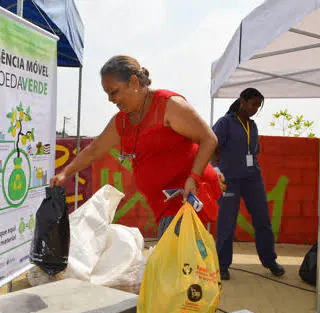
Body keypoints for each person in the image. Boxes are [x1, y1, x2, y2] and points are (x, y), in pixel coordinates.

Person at [50, 55, 221, 238]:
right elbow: (95, 150)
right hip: (162, 204)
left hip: (187, 196)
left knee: (177, 263)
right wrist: (65, 172)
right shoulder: (122, 121)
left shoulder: (168, 105)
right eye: (107, 94)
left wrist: (193, 178)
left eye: (114, 92)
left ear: (133, 82)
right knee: (176, 262)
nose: (110, 99)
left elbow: (209, 139)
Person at [211, 88, 285, 281]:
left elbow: (254, 151)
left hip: (253, 178)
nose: (254, 109)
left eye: (258, 106)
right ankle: (222, 264)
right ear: (242, 101)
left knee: (263, 221)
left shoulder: (252, 126)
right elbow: (212, 146)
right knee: (227, 222)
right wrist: (215, 169)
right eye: (253, 104)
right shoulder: (225, 123)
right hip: (229, 179)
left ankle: (270, 261)